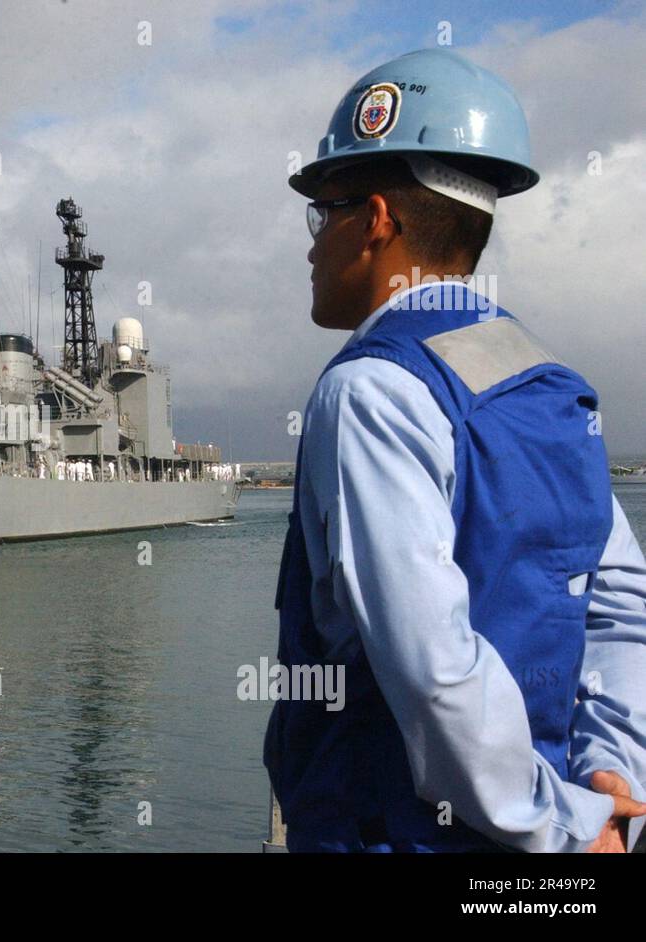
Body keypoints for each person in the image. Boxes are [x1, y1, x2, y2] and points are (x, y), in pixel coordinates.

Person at [263, 48, 646, 854]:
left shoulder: (368, 392)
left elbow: (436, 673)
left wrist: (566, 830)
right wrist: (611, 779)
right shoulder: (554, 390)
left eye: (321, 213)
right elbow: (619, 606)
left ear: (373, 220)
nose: (310, 248)